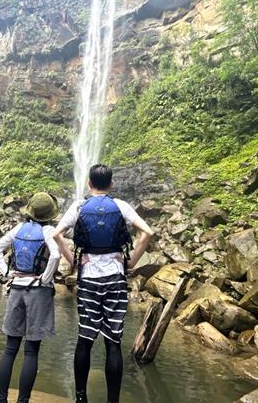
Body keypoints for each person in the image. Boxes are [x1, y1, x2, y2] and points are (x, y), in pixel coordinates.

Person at [53, 165, 154, 403]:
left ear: (89, 183)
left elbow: (57, 234)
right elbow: (147, 233)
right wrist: (131, 261)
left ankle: (80, 398)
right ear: (111, 184)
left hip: (88, 278)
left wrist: (73, 261)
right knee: (113, 342)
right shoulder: (121, 206)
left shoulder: (79, 206)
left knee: (85, 339)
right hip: (115, 279)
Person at [0, 192, 61, 403]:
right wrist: (45, 279)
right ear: (49, 214)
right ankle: (22, 401)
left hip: (16, 289)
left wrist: (6, 272)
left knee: (10, 348)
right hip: (38, 292)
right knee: (31, 351)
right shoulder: (48, 231)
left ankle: (1, 399)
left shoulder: (18, 229)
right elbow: (56, 255)